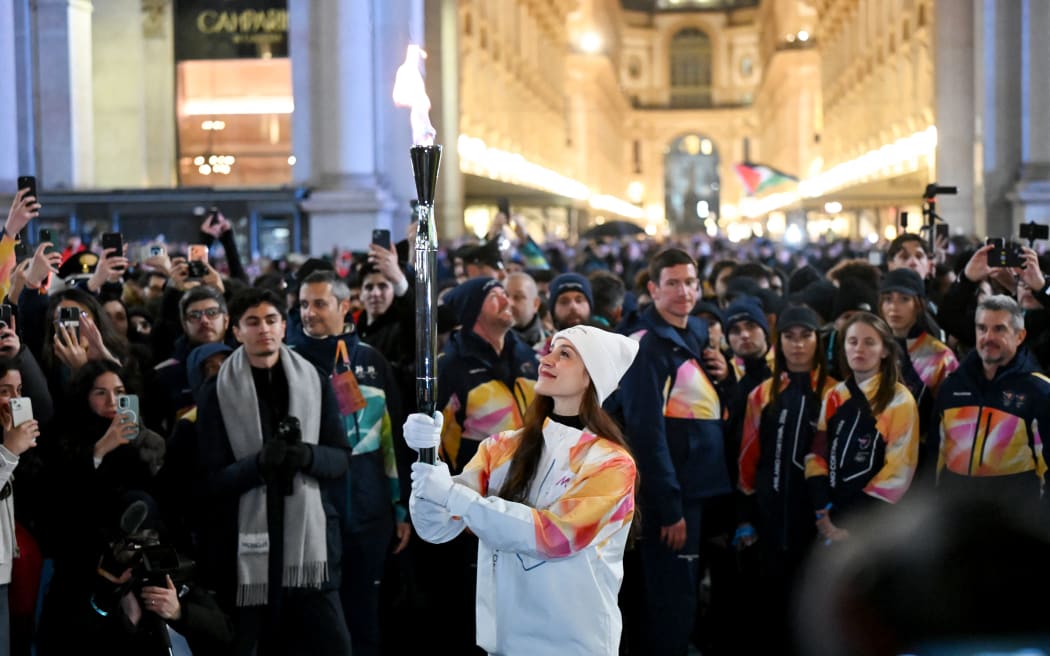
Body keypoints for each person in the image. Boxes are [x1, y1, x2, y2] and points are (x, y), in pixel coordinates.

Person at [404, 325, 639, 655]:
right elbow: (437, 527)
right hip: (503, 639)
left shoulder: (611, 464)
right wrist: (427, 458)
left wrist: (451, 493)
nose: (547, 359)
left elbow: (555, 537)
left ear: (591, 378)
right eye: (551, 349)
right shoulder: (502, 447)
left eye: (565, 354)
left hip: (573, 641)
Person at [194, 288, 352, 655]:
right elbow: (208, 481)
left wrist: (304, 456)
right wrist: (258, 465)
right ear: (236, 331)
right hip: (246, 557)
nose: (263, 329)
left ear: (284, 326)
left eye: (271, 320)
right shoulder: (216, 391)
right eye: (252, 322)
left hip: (310, 552)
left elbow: (341, 458)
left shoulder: (314, 379)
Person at [287, 270, 409, 656]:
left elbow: (392, 442)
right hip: (312, 512)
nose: (309, 313)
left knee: (366, 617)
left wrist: (400, 507)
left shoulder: (370, 360)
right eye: (304, 304)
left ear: (344, 307)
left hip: (369, 513)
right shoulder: (289, 364)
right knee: (320, 624)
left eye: (320, 304)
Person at [616, 247, 731, 655]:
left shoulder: (693, 334)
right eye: (673, 283)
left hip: (697, 488)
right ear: (653, 288)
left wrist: (724, 371)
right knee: (669, 598)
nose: (684, 291)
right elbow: (645, 432)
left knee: (683, 594)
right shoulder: (646, 346)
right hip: (674, 496)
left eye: (691, 282)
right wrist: (668, 507)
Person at [736, 305, 835, 651]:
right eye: (789, 337)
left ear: (817, 340)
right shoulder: (762, 394)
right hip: (770, 516)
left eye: (805, 336)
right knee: (771, 610)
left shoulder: (836, 393)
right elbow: (749, 459)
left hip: (818, 521)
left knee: (813, 610)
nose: (797, 345)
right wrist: (746, 516)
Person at [805, 312, 920, 542]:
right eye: (852, 341)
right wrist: (823, 506)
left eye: (869, 342)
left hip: (874, 521)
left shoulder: (899, 400)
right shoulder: (835, 395)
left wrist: (847, 518)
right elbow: (817, 453)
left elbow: (898, 473)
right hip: (828, 514)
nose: (859, 349)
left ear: (885, 350)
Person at [929, 294, 1050, 510]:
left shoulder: (1039, 391)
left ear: (1020, 336)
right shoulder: (953, 386)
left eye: (999, 329)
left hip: (1016, 524)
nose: (988, 337)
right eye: (982, 328)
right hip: (954, 520)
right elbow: (934, 459)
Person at [878, 268, 958, 467]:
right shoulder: (872, 347)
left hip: (919, 463)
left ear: (919, 304)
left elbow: (951, 419)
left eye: (904, 299)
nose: (894, 307)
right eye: (888, 299)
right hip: (872, 457)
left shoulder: (939, 356)